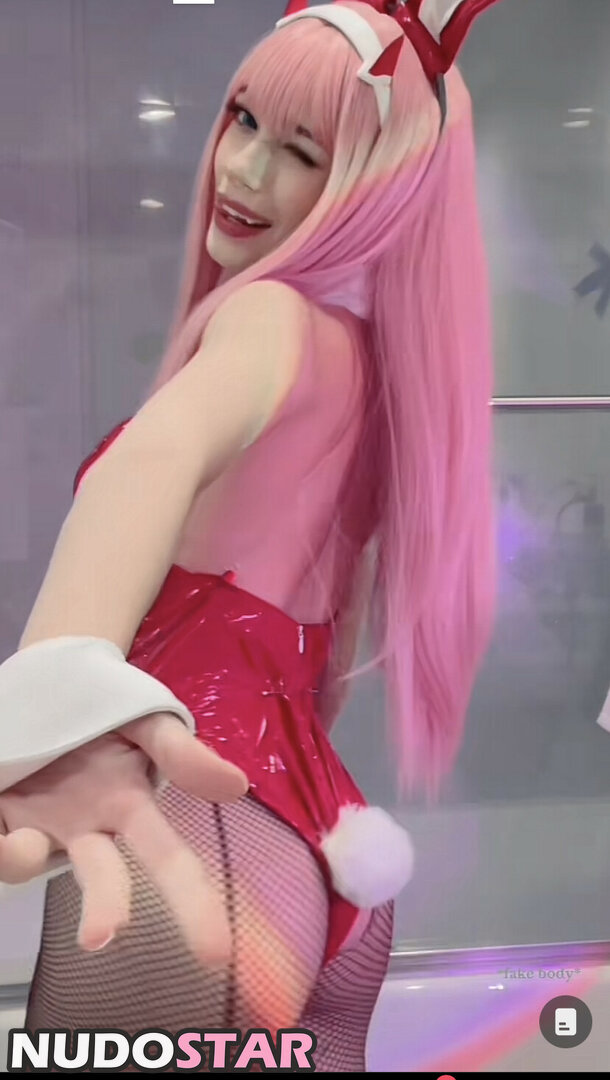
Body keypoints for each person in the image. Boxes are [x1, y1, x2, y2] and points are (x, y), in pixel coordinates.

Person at [0, 0, 499, 1070]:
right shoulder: (375, 368)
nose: (243, 169)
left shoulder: (266, 318)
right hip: (313, 847)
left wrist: (57, 712)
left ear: (373, 184)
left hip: (194, 823)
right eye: (243, 119)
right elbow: (329, 639)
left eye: (302, 152)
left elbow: (146, 463)